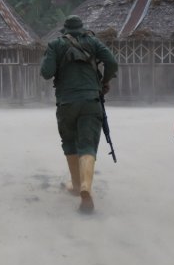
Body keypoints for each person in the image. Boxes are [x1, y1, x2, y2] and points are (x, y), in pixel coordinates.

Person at [40, 15, 118, 213]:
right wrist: (105, 81)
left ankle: (76, 186)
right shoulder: (93, 42)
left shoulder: (55, 44)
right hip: (92, 101)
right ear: (82, 28)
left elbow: (46, 73)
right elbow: (112, 62)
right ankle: (86, 187)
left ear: (65, 30)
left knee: (70, 143)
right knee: (88, 146)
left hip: (66, 103)